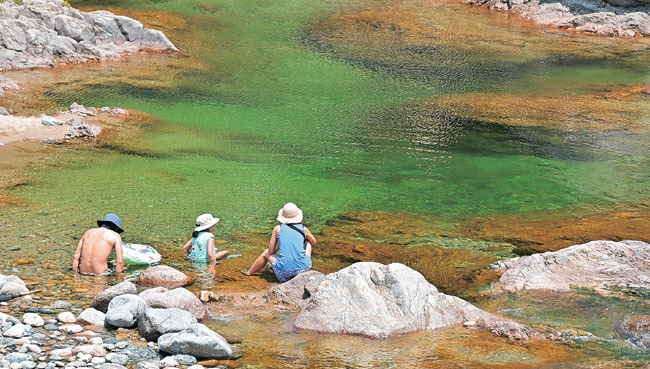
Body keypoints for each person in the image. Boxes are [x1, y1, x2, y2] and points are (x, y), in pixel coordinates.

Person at [241, 202, 317, 282]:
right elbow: (314, 242)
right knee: (308, 242)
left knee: (266, 253)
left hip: (283, 274)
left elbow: (271, 251)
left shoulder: (277, 229)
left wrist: (278, 247)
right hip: (303, 271)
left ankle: (249, 272)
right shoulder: (304, 229)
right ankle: (302, 264)